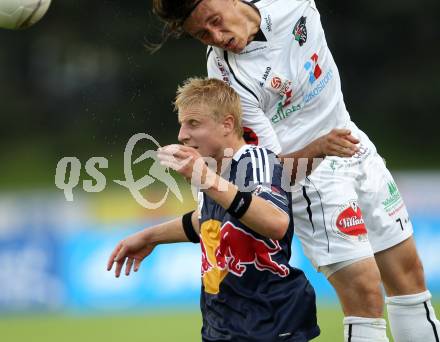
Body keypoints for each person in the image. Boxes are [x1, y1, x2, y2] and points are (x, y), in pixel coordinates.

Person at [151, 1, 440, 341]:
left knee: (409, 277)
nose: (217, 37)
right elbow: (272, 175)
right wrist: (319, 148)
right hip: (308, 174)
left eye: (215, 21)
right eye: (203, 35)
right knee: (365, 293)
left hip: (351, 142)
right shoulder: (228, 78)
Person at [107, 77, 320, 341]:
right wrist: (149, 237)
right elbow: (208, 221)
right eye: (182, 124)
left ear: (227, 124)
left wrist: (204, 179)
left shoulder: (256, 161)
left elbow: (276, 223)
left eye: (193, 123)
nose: (182, 134)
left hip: (269, 322)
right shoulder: (215, 169)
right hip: (222, 324)